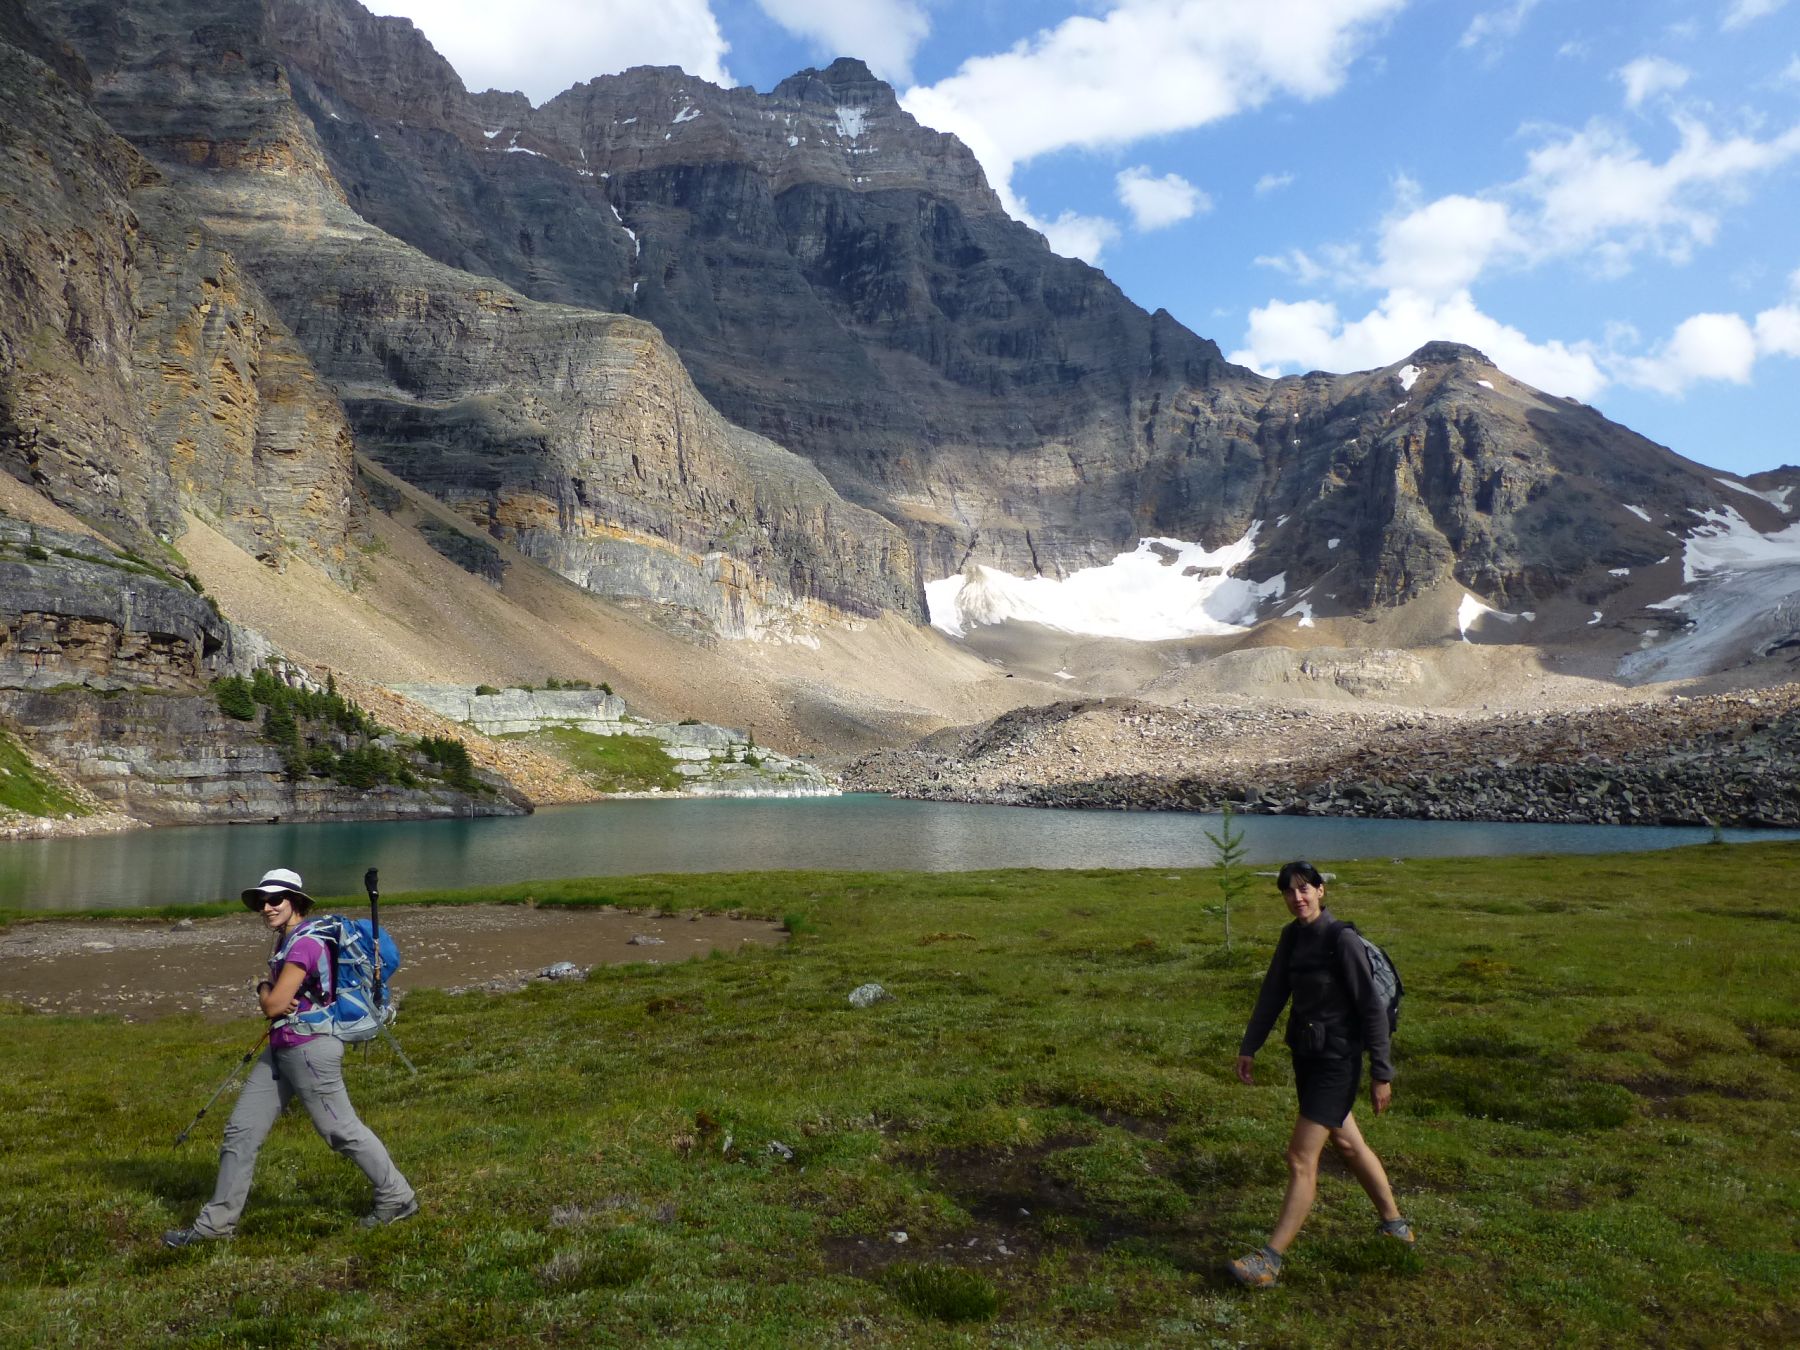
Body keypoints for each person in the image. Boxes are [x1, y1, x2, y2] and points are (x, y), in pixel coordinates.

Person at [161, 868, 416, 1246]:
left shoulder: (303, 945)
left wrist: (264, 988)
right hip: (283, 1046)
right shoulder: (289, 940)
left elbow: (275, 1004)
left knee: (341, 1131)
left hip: (310, 1049)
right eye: (262, 901)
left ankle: (397, 1197)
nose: (266, 907)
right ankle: (214, 1227)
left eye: (275, 899)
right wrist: (273, 997)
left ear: (295, 902)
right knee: (240, 1132)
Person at [1227, 860, 1412, 1287]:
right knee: (1348, 1143)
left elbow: (1371, 1009)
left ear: (1320, 891)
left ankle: (1270, 1261)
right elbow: (1273, 993)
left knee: (1299, 1158)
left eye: (1305, 889)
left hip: (1338, 1063)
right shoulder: (1291, 938)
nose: (1297, 899)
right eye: (1289, 892)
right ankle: (1395, 1224)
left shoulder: (1340, 940)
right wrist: (1249, 1046)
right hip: (1307, 1058)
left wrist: (1381, 1073)